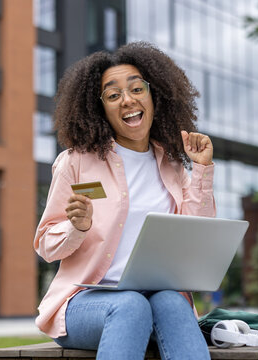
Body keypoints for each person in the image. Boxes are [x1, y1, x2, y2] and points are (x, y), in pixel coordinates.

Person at [34, 41, 215, 360]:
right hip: (85, 303)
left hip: (155, 297)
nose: (127, 100)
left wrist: (200, 170)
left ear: (154, 95)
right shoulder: (76, 162)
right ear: (100, 107)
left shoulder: (172, 164)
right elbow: (46, 244)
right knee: (131, 304)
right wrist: (77, 227)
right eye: (113, 95)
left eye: (136, 89)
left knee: (174, 300)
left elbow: (196, 234)